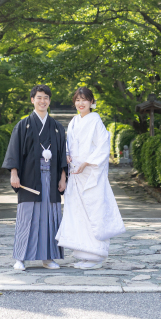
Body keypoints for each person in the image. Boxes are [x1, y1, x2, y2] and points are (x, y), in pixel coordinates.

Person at [56, 87, 125, 269]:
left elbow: (103, 146)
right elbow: (68, 144)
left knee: (93, 212)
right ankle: (83, 254)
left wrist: (86, 163)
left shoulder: (96, 121)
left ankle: (96, 256)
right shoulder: (73, 121)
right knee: (78, 213)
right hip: (75, 173)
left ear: (91, 102)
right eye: (77, 100)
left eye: (84, 99)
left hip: (90, 174)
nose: (81, 103)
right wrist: (67, 155)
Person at [2, 84, 68, 271]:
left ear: (49, 101)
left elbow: (62, 154)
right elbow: (14, 151)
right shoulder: (23, 125)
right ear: (32, 100)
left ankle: (48, 258)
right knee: (27, 216)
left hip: (51, 177)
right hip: (30, 177)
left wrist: (63, 178)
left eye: (46, 98)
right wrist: (14, 173)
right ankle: (20, 258)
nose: (42, 101)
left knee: (50, 217)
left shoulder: (56, 127)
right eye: (39, 97)